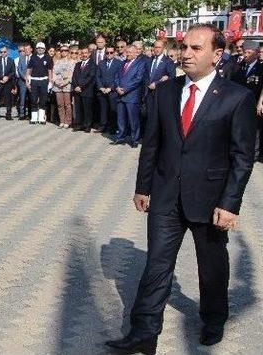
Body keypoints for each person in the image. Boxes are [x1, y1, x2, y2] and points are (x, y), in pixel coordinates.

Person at [106, 24, 256, 353]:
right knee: (157, 264)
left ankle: (213, 319)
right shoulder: (165, 91)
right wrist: (143, 186)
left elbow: (243, 157)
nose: (185, 54)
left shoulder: (237, 97)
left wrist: (230, 203)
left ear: (217, 54)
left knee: (212, 265)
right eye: (183, 47)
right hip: (165, 195)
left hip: (211, 199)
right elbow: (152, 144)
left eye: (195, 48)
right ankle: (144, 332)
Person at [111, 45, 145, 148]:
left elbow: (138, 79)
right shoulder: (122, 63)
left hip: (132, 96)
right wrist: (117, 87)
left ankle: (135, 139)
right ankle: (120, 137)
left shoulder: (140, 64)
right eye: (127, 52)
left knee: (133, 119)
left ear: (136, 53)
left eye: (130, 52)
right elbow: (116, 77)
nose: (128, 54)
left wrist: (125, 89)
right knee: (120, 119)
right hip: (120, 96)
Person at [143, 40, 176, 117]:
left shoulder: (168, 61)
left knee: (158, 117)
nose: (157, 49)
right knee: (148, 116)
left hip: (160, 94)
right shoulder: (149, 60)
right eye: (155, 47)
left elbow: (172, 77)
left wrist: (157, 83)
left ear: (163, 48)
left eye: (159, 47)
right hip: (148, 93)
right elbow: (145, 75)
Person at [96, 46, 122, 134]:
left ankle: (113, 128)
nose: (109, 54)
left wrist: (110, 88)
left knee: (113, 110)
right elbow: (98, 76)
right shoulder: (101, 63)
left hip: (113, 91)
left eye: (111, 52)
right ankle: (103, 126)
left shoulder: (119, 63)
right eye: (107, 53)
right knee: (103, 110)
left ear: (114, 53)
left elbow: (118, 77)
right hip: (102, 90)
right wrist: (101, 87)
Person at [26, 42, 53, 125]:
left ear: (44, 49)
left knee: (43, 100)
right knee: (33, 99)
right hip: (34, 80)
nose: (40, 49)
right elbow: (29, 70)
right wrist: (27, 80)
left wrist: (50, 81)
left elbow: (50, 71)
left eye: (42, 48)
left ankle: (41, 118)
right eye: (38, 48)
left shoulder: (48, 57)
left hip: (44, 80)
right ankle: (34, 118)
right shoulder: (33, 57)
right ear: (36, 49)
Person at [72, 47, 96, 132]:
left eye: (86, 53)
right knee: (78, 109)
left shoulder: (93, 64)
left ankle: (87, 126)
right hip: (77, 91)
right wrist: (75, 86)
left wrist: (81, 86)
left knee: (87, 110)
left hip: (87, 90)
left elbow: (91, 77)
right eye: (82, 53)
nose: (84, 55)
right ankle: (79, 125)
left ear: (89, 54)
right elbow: (74, 76)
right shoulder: (78, 64)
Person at [52, 45, 75, 128]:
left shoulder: (72, 62)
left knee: (67, 104)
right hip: (57, 85)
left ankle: (68, 121)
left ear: (68, 52)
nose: (63, 52)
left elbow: (71, 74)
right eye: (62, 51)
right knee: (60, 104)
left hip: (67, 85)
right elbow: (53, 73)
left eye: (65, 50)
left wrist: (65, 82)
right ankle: (61, 120)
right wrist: (55, 81)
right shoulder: (57, 62)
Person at [0, 46, 16, 120]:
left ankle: (8, 114)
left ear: (7, 52)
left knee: (8, 99)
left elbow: (13, 71)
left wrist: (7, 77)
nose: (3, 53)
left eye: (4, 52)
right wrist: (2, 77)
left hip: (8, 82)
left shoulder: (11, 60)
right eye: (1, 52)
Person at [15, 44, 31, 120]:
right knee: (22, 98)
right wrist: (24, 77)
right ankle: (22, 114)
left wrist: (30, 78)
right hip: (22, 81)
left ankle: (31, 114)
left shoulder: (34, 58)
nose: (26, 51)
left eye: (28, 49)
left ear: (31, 49)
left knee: (31, 98)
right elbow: (19, 69)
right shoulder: (21, 58)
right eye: (25, 50)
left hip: (32, 81)